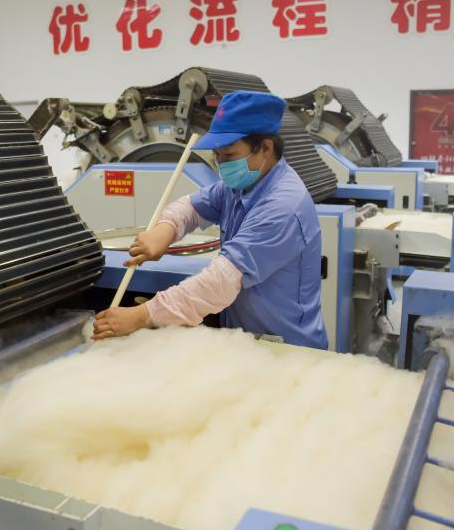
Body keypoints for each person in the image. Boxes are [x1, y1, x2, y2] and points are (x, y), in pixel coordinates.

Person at [91, 90, 328, 349]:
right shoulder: (240, 185)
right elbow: (191, 207)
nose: (221, 164)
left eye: (229, 155)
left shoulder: (283, 207)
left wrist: (142, 316)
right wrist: (166, 229)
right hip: (247, 341)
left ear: (266, 148)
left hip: (285, 347)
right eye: (217, 155)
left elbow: (221, 281)